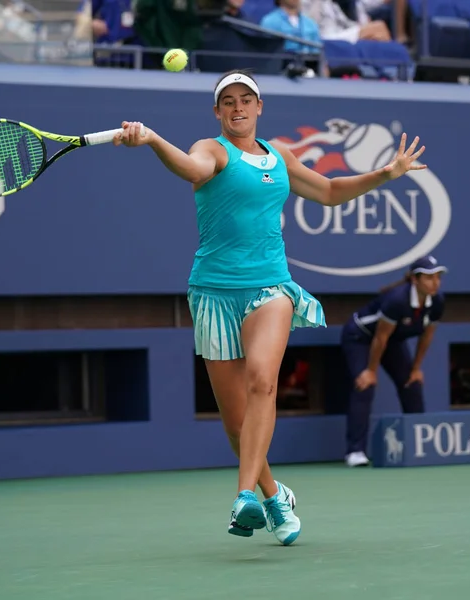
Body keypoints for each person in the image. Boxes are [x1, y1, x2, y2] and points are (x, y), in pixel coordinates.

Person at [113, 69, 426, 544]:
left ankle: (243, 497)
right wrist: (154, 139)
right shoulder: (212, 150)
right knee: (237, 422)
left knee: (263, 380)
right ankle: (274, 496)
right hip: (214, 293)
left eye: (246, 100)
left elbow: (328, 192)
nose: (238, 108)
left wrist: (387, 172)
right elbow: (192, 170)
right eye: (228, 102)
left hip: (271, 287)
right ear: (218, 112)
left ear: (260, 107)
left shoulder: (281, 155)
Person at [342, 256, 447, 467]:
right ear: (415, 280)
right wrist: (371, 371)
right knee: (365, 386)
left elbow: (427, 336)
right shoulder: (397, 300)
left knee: (412, 383)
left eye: (437, 277)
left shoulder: (437, 300)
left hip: (392, 341)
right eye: (428, 277)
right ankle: (355, 452)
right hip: (360, 337)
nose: (435, 282)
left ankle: (419, 445)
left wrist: (416, 369)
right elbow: (379, 338)